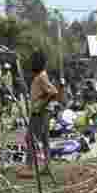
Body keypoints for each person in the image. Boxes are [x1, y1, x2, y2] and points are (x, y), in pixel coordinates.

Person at [18, 50, 61, 178]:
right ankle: (47, 166)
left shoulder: (41, 76)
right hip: (43, 111)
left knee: (30, 138)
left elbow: (53, 92)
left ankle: (30, 167)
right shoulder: (40, 76)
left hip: (40, 112)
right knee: (44, 139)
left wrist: (42, 104)